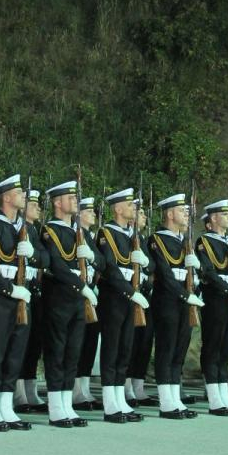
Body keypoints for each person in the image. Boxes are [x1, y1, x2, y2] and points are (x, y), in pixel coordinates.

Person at [0, 174, 41, 431]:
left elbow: (44, 258)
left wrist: (34, 253)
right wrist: (9, 289)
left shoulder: (27, 229)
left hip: (22, 295)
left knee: (15, 352)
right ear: (6, 197)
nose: (24, 197)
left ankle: (6, 405)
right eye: (19, 193)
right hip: (0, 297)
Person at [40, 180, 97, 427]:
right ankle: (55, 408)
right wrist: (81, 286)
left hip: (77, 300)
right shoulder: (49, 231)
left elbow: (104, 262)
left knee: (73, 353)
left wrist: (92, 256)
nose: (75, 201)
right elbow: (56, 264)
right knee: (57, 352)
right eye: (70, 198)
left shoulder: (80, 233)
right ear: (57, 203)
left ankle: (66, 405)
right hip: (59, 299)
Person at [95, 187, 149, 423]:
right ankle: (110, 403)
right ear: (117, 208)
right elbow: (110, 268)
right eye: (130, 205)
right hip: (114, 297)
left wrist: (144, 266)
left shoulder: (133, 234)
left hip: (130, 297)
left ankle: (119, 398)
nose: (134, 210)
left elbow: (146, 266)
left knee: (125, 348)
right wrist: (130, 292)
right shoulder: (106, 233)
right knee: (112, 348)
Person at [149, 193, 203, 418]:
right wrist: (185, 295)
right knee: (166, 349)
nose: (186, 215)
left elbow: (188, 273)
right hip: (168, 301)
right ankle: (165, 402)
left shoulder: (185, 242)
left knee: (179, 350)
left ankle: (174, 398)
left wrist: (196, 278)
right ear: (170, 214)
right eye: (182, 211)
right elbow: (165, 274)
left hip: (184, 301)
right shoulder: (157, 239)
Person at [196, 198, 228, 416]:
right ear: (212, 220)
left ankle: (223, 391)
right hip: (215, 298)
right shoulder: (203, 242)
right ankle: (214, 395)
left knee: (225, 347)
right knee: (213, 345)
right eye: (224, 214)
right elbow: (208, 272)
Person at [15, 187, 47, 412]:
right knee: (19, 345)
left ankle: (29, 387)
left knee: (33, 344)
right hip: (18, 291)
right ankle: (17, 391)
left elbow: (45, 258)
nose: (37, 207)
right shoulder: (18, 227)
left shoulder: (35, 230)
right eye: (32, 203)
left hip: (35, 292)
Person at [73, 195, 105, 408]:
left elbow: (102, 263)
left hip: (92, 294)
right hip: (77, 293)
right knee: (78, 344)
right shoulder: (75, 234)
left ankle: (84, 389)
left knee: (89, 344)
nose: (93, 214)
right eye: (88, 210)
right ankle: (76, 392)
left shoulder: (90, 236)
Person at [126, 201, 155, 405]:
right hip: (128, 294)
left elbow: (151, 264)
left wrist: (144, 261)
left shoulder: (141, 238)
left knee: (144, 343)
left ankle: (138, 385)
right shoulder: (121, 236)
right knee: (130, 343)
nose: (144, 216)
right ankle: (126, 387)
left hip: (144, 294)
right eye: (140, 212)